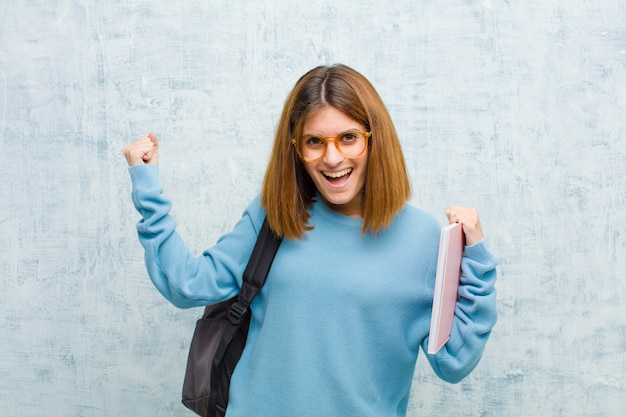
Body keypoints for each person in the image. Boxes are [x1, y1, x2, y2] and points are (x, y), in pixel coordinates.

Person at [123, 64, 498, 417]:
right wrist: (148, 189)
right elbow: (186, 284)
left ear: (374, 139)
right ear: (297, 149)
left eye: (349, 138)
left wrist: (477, 261)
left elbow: (454, 362)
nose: (332, 158)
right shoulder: (275, 214)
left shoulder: (423, 239)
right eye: (314, 141)